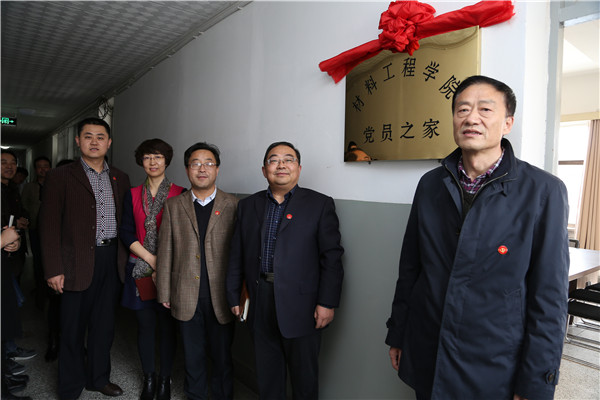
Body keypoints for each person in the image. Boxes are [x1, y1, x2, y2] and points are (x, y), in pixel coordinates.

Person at [385, 75, 569, 399]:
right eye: (462, 109)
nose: (471, 118)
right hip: (428, 349)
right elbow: (411, 269)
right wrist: (398, 333)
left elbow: (549, 297)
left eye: (485, 109)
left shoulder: (543, 191)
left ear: (507, 123)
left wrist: (536, 381)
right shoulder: (430, 184)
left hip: (495, 364)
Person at [226, 141, 344, 400]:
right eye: (274, 160)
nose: (281, 165)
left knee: (304, 380)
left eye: (288, 159)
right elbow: (237, 253)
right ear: (264, 169)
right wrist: (234, 295)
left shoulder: (319, 204)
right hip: (260, 298)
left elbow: (332, 258)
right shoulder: (248, 205)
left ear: (298, 168)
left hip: (303, 304)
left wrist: (327, 302)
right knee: (268, 376)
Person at [40, 118, 131, 400]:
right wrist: (53, 268)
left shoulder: (120, 177)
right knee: (72, 328)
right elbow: (49, 225)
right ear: (78, 141)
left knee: (104, 326)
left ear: (109, 143)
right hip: (74, 263)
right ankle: (70, 386)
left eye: (100, 137)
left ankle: (98, 379)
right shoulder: (60, 176)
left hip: (111, 259)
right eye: (88, 136)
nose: (94, 142)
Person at [156, 142, 238, 400]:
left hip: (222, 296)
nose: (202, 169)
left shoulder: (234, 205)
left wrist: (239, 294)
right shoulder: (173, 205)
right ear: (187, 169)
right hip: (185, 294)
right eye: (196, 163)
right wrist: (164, 292)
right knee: (193, 357)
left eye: (208, 163)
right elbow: (166, 250)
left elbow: (240, 255)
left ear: (217, 169)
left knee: (223, 357)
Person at [120, 139, 184, 400]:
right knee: (145, 327)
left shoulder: (181, 193)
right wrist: (151, 259)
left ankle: (165, 378)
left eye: (158, 157)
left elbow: (185, 235)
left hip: (171, 271)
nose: (153, 162)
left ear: (166, 160)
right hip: (141, 268)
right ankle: (149, 377)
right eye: (147, 157)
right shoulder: (132, 194)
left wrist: (164, 263)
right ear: (141, 162)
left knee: (167, 328)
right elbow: (126, 231)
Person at [1, 150, 36, 373]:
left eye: (12, 162)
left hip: (10, 256)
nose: (9, 166)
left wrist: (22, 224)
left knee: (10, 305)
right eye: (3, 162)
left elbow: (20, 213)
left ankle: (9, 351)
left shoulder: (11, 189)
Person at [21, 156, 51, 311]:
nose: (43, 169)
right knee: (38, 260)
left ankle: (49, 287)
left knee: (50, 260)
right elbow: (24, 205)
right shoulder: (29, 187)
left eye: (46, 166)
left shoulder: (55, 184)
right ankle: (40, 289)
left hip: (52, 230)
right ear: (35, 169)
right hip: (35, 229)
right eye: (39, 166)